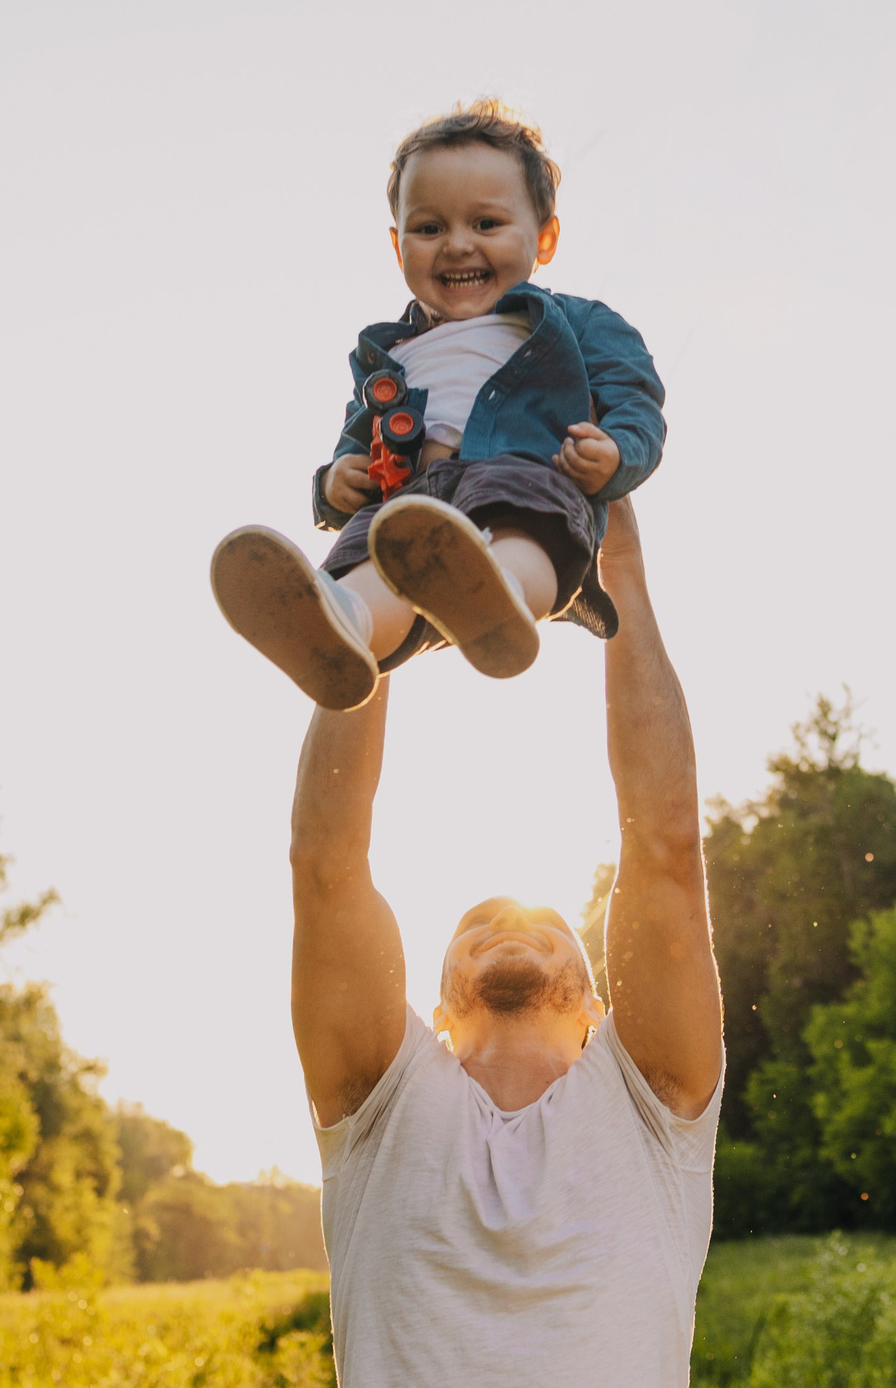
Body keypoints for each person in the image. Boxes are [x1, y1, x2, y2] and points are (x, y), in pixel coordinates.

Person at [287, 499, 722, 1386]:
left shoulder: (654, 1107)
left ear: (603, 1007)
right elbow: (327, 864)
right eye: (473, 926)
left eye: (551, 926)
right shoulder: (380, 1099)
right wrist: (373, 628)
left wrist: (621, 576)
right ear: (437, 1008)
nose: (509, 922)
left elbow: (666, 843)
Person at [211, 99, 665, 712]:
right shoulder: (386, 353)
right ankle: (338, 628)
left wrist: (616, 456)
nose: (456, 246)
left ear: (545, 236)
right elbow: (359, 439)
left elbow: (635, 401)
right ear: (399, 247)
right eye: (429, 229)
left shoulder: (575, 321)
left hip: (525, 472)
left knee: (522, 527)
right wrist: (336, 485)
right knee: (374, 561)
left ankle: (496, 593)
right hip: (412, 506)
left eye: (485, 224)